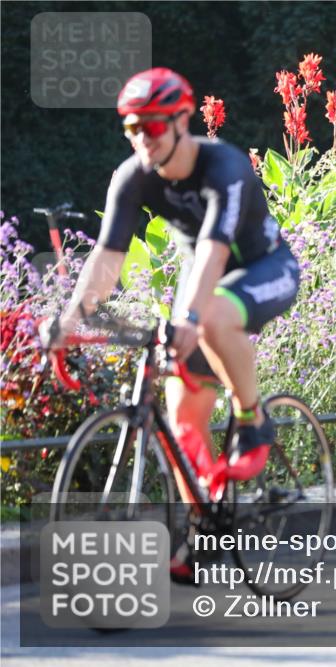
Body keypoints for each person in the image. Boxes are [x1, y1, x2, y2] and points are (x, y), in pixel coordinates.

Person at [41, 68, 300, 572]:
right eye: (132, 129)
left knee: (211, 315)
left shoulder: (223, 167)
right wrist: (71, 318)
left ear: (183, 120)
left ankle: (253, 419)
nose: (142, 139)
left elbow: (211, 251)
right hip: (207, 284)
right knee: (183, 420)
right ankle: (205, 530)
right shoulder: (132, 175)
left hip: (264, 270)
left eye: (153, 127)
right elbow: (106, 258)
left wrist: (187, 316)